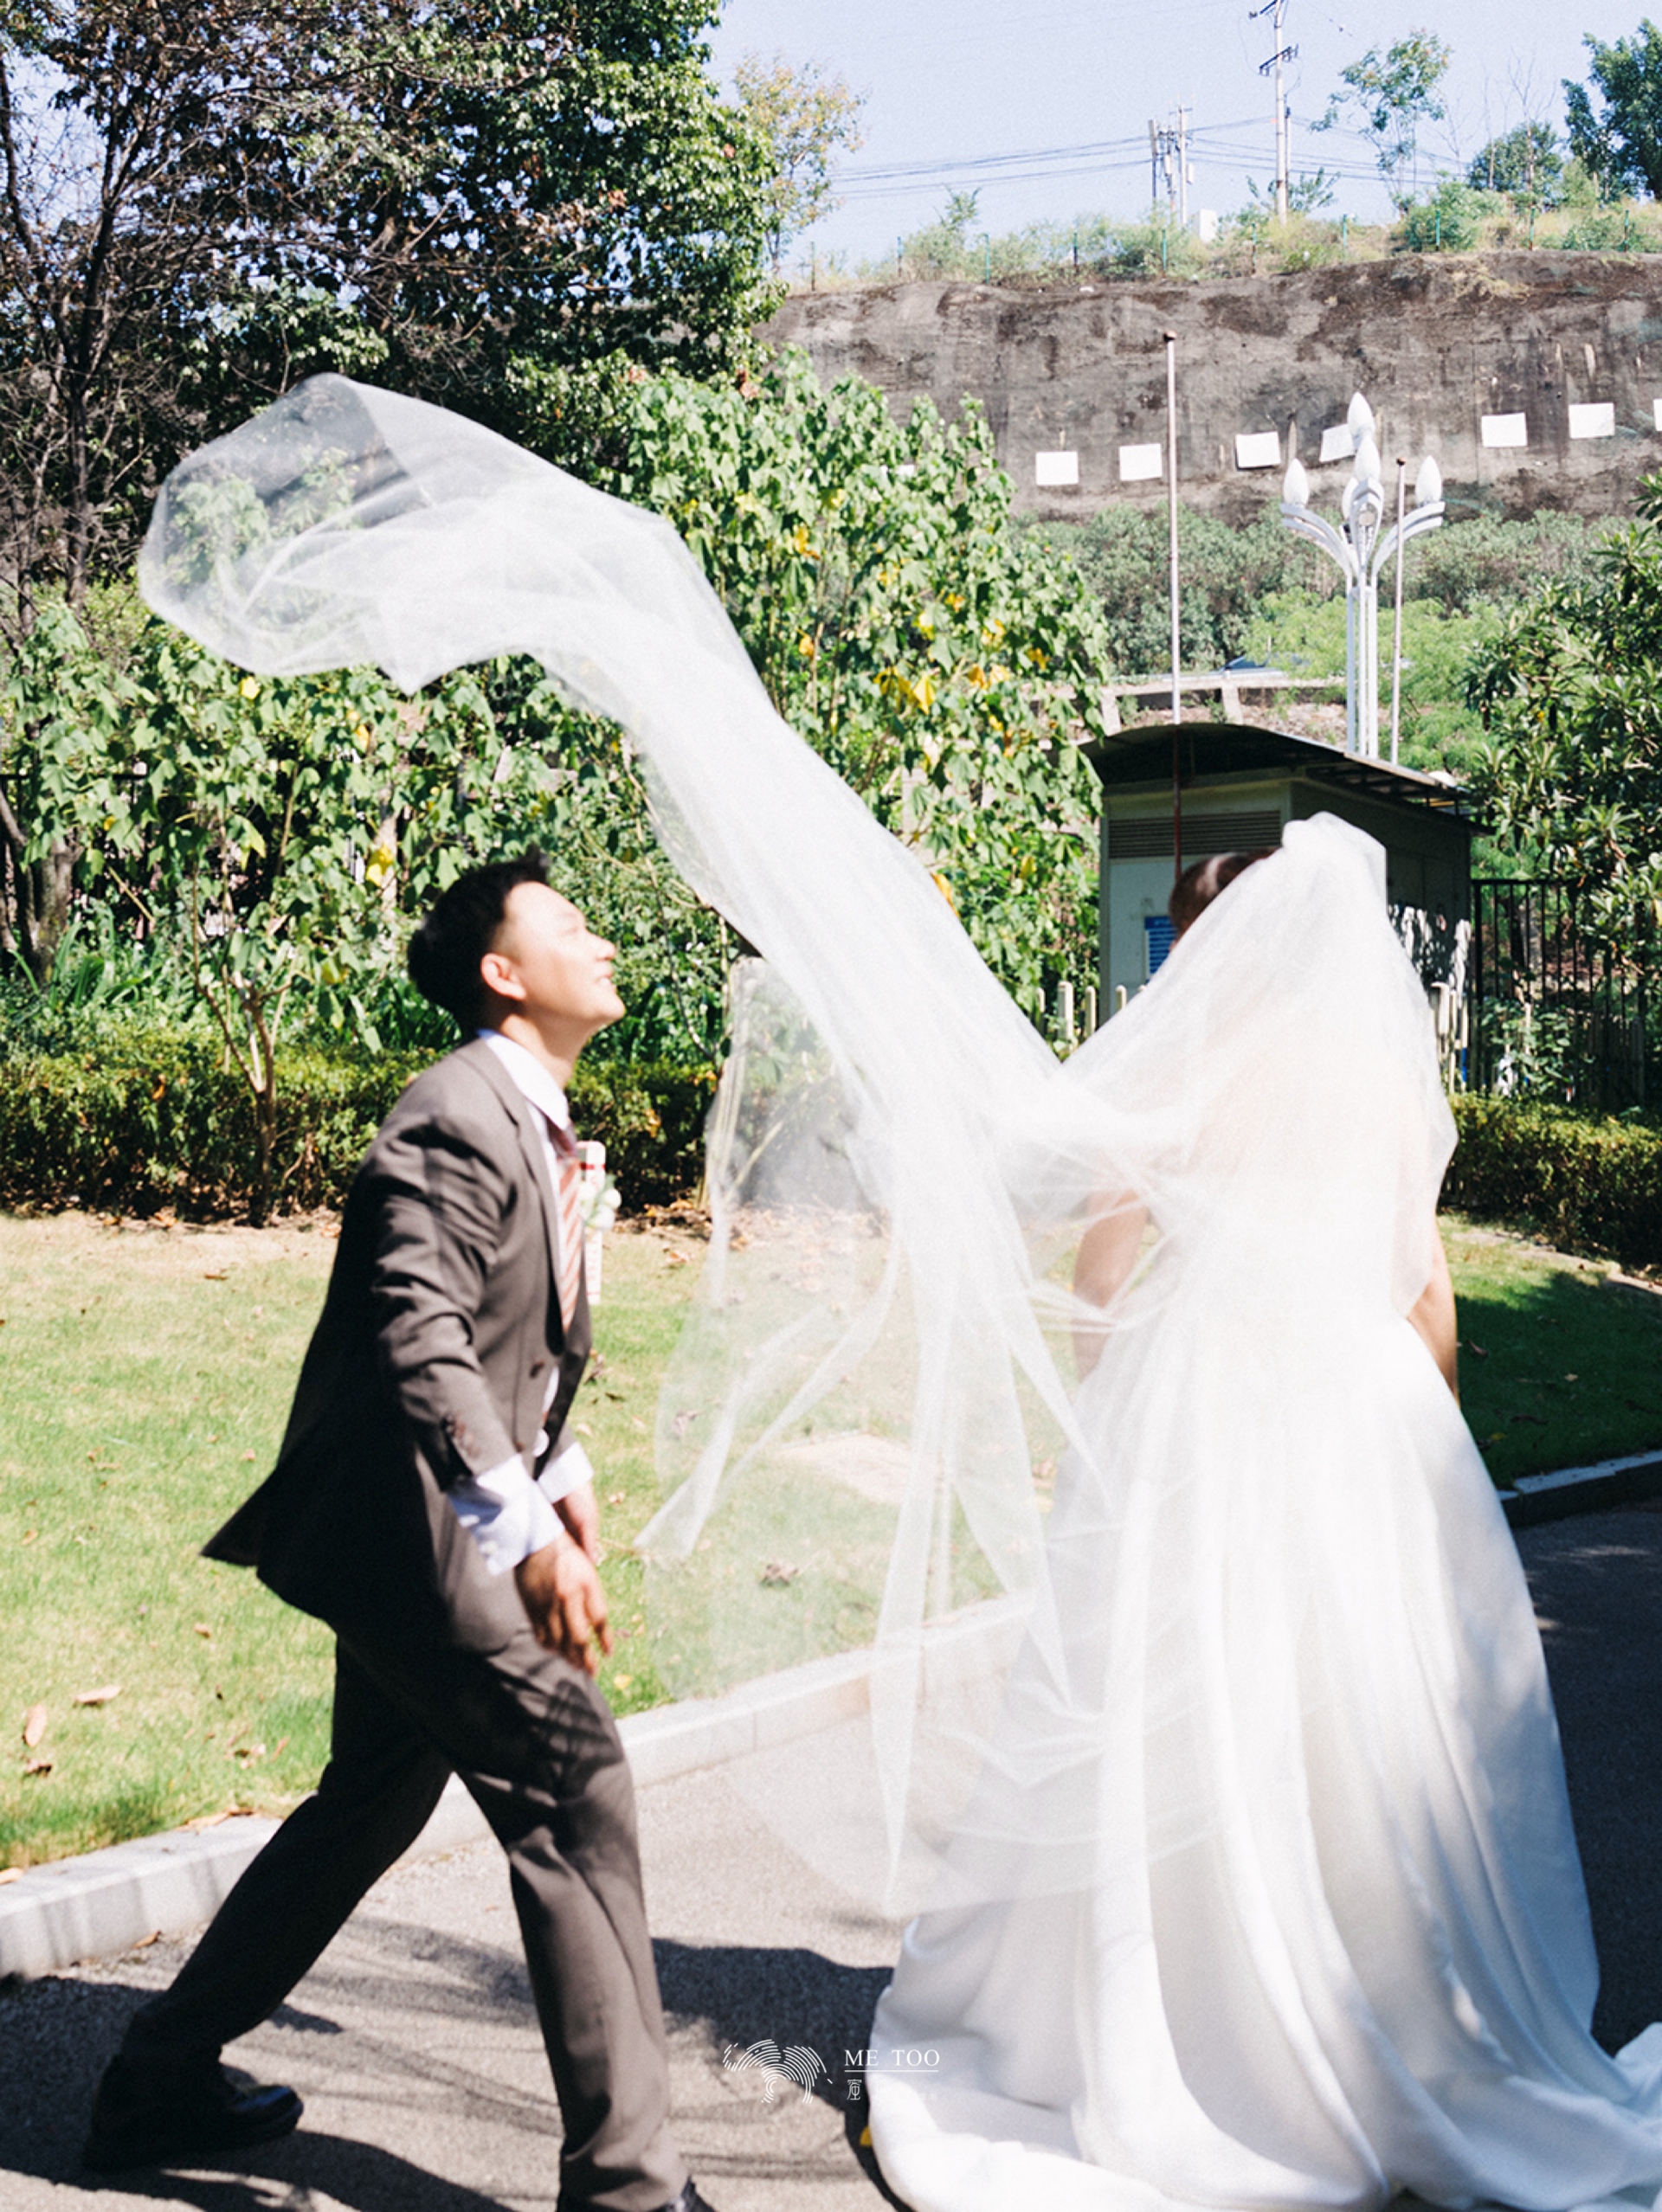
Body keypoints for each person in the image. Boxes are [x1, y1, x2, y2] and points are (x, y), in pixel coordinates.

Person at [863, 828, 1662, 2212]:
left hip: (1208, 1402)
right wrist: (1432, 1447)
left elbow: (1102, 1273)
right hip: (1365, 1406)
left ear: (1203, 944)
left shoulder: (1178, 1071)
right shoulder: (1375, 1076)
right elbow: (1425, 1283)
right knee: (1365, 1716)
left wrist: (1108, 1414)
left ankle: (1196, 2022)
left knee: (1194, 1700)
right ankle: (1402, 2016)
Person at [87, 854, 717, 2212]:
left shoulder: (528, 1111)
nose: (601, 940)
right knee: (575, 1785)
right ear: (504, 973)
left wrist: (562, 1462)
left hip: (404, 1531)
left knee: (368, 1804)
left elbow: (502, 1329)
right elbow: (419, 1333)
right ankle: (628, 2185)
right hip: (425, 1537)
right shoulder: (452, 1111)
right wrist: (521, 1527)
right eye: (569, 923)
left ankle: (157, 2075)